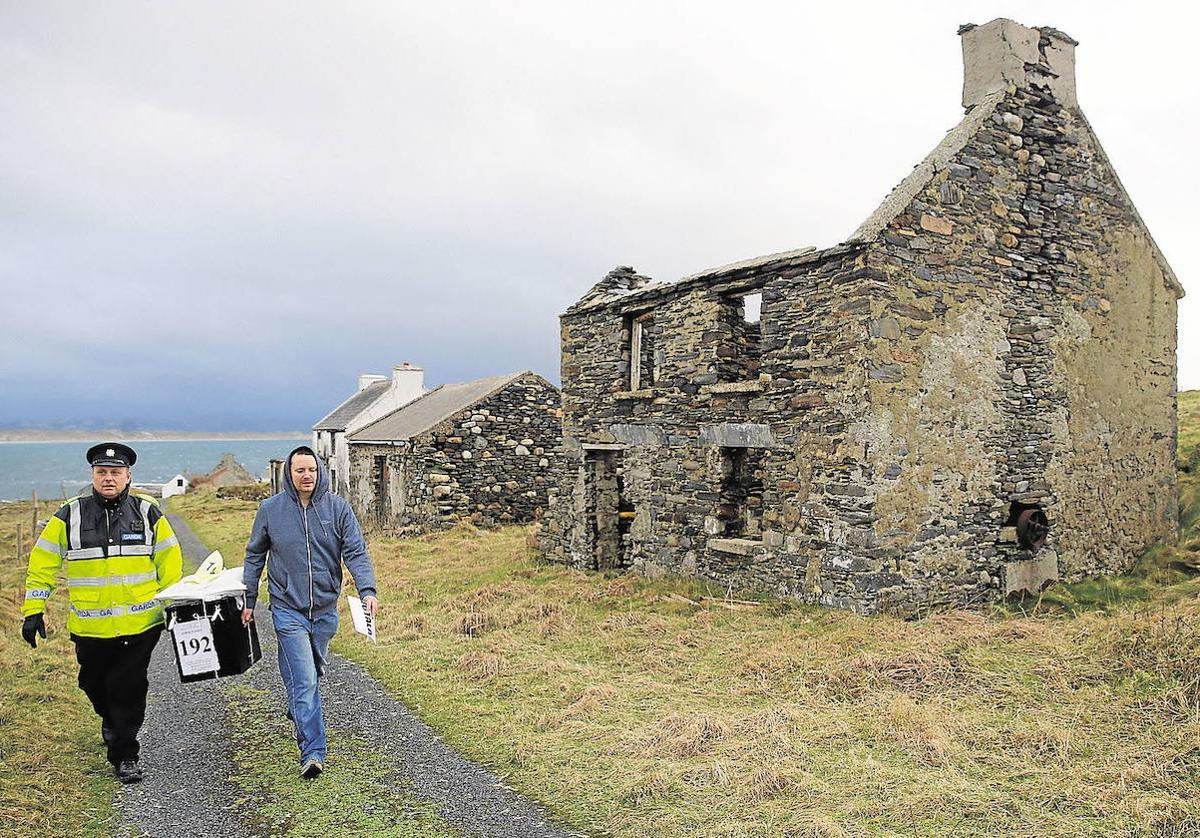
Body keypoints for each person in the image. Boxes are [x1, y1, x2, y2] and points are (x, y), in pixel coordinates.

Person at [21, 442, 183, 784]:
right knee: (93, 683)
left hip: (140, 624)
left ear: (128, 476)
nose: (108, 478)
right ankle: (113, 725)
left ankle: (126, 754)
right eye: (102, 472)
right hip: (89, 626)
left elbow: (169, 563)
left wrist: (173, 607)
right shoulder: (70, 514)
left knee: (128, 686)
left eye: (115, 472)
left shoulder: (148, 511)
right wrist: (34, 609)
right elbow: (42, 563)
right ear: (93, 475)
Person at [242, 445, 379, 779]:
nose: (306, 476)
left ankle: (299, 711)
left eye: (312, 470)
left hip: (325, 609)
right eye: (299, 470)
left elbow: (356, 553)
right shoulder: (270, 510)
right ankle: (313, 752)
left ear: (319, 472)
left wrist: (367, 590)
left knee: (311, 672)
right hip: (287, 608)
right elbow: (254, 556)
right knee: (304, 680)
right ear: (288, 474)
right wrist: (248, 598)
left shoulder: (338, 509)